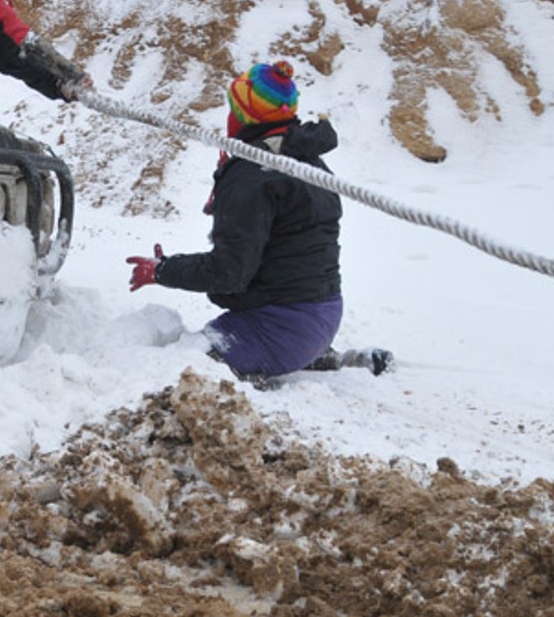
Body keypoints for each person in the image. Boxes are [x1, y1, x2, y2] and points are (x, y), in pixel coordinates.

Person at [126, 60, 390, 380]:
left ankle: (253, 379)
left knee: (186, 366)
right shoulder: (305, 160)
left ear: (243, 117)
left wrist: (162, 270)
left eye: (232, 110)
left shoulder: (253, 174)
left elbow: (228, 273)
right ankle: (327, 358)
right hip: (323, 316)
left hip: (282, 327)